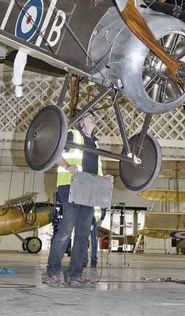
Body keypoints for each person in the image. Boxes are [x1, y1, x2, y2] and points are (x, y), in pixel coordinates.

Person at [45, 111, 112, 288]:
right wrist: (67, 166)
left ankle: (76, 275)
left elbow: (94, 169)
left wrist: (105, 178)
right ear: (81, 121)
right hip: (70, 186)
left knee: (83, 234)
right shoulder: (72, 135)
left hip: (89, 190)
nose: (93, 117)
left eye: (93, 116)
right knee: (66, 230)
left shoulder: (95, 143)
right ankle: (52, 272)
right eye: (89, 115)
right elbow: (54, 153)